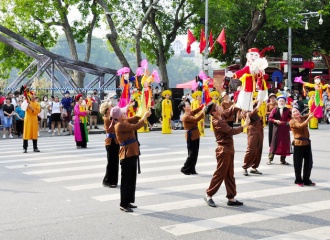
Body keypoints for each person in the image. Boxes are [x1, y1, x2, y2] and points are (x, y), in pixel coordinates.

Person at [204, 102, 250, 207]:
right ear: (213, 112)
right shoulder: (217, 122)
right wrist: (245, 125)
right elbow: (231, 131)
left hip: (229, 149)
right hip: (223, 150)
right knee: (220, 173)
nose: (220, 107)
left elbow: (231, 110)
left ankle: (231, 197)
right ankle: (209, 194)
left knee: (230, 174)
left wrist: (242, 103)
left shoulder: (221, 116)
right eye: (218, 107)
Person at [112, 106, 151, 212]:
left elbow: (134, 119)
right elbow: (136, 126)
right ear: (118, 117)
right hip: (127, 154)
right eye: (122, 113)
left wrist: (142, 112)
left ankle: (128, 201)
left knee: (131, 179)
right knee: (126, 180)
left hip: (132, 152)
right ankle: (123, 204)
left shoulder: (123, 121)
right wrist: (144, 117)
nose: (124, 114)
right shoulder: (120, 125)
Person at [289, 108, 315, 187]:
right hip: (298, 144)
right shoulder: (292, 122)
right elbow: (300, 126)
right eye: (294, 112)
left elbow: (312, 112)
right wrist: (308, 119)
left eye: (297, 110)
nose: (296, 112)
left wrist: (314, 103)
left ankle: (306, 180)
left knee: (309, 163)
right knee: (298, 164)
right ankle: (298, 180)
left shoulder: (303, 117)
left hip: (307, 143)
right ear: (291, 115)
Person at [178, 101, 205, 175]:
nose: (189, 105)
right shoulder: (185, 116)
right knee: (192, 154)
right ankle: (185, 168)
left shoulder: (189, 113)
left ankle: (192, 169)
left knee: (195, 153)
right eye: (187, 105)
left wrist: (202, 107)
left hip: (195, 134)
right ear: (184, 108)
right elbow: (196, 119)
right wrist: (203, 112)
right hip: (191, 136)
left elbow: (196, 110)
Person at [100, 101, 119, 188]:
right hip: (110, 142)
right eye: (111, 106)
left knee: (115, 162)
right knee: (111, 162)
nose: (112, 107)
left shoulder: (111, 117)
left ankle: (113, 181)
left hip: (115, 141)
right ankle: (107, 180)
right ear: (107, 110)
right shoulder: (107, 118)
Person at [268, 95, 292, 165]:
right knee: (274, 143)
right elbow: (270, 118)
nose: (281, 102)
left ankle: (283, 160)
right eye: (280, 101)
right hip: (277, 129)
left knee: (285, 143)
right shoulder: (275, 109)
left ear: (285, 102)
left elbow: (291, 118)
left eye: (283, 101)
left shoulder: (287, 110)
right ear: (277, 102)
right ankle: (270, 159)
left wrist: (289, 122)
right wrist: (275, 121)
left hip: (285, 129)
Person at [242, 100, 264, 176]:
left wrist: (259, 100)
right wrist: (258, 106)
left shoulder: (253, 107)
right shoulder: (245, 110)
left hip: (260, 130)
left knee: (259, 149)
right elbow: (250, 115)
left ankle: (254, 167)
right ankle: (245, 167)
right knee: (251, 149)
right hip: (252, 131)